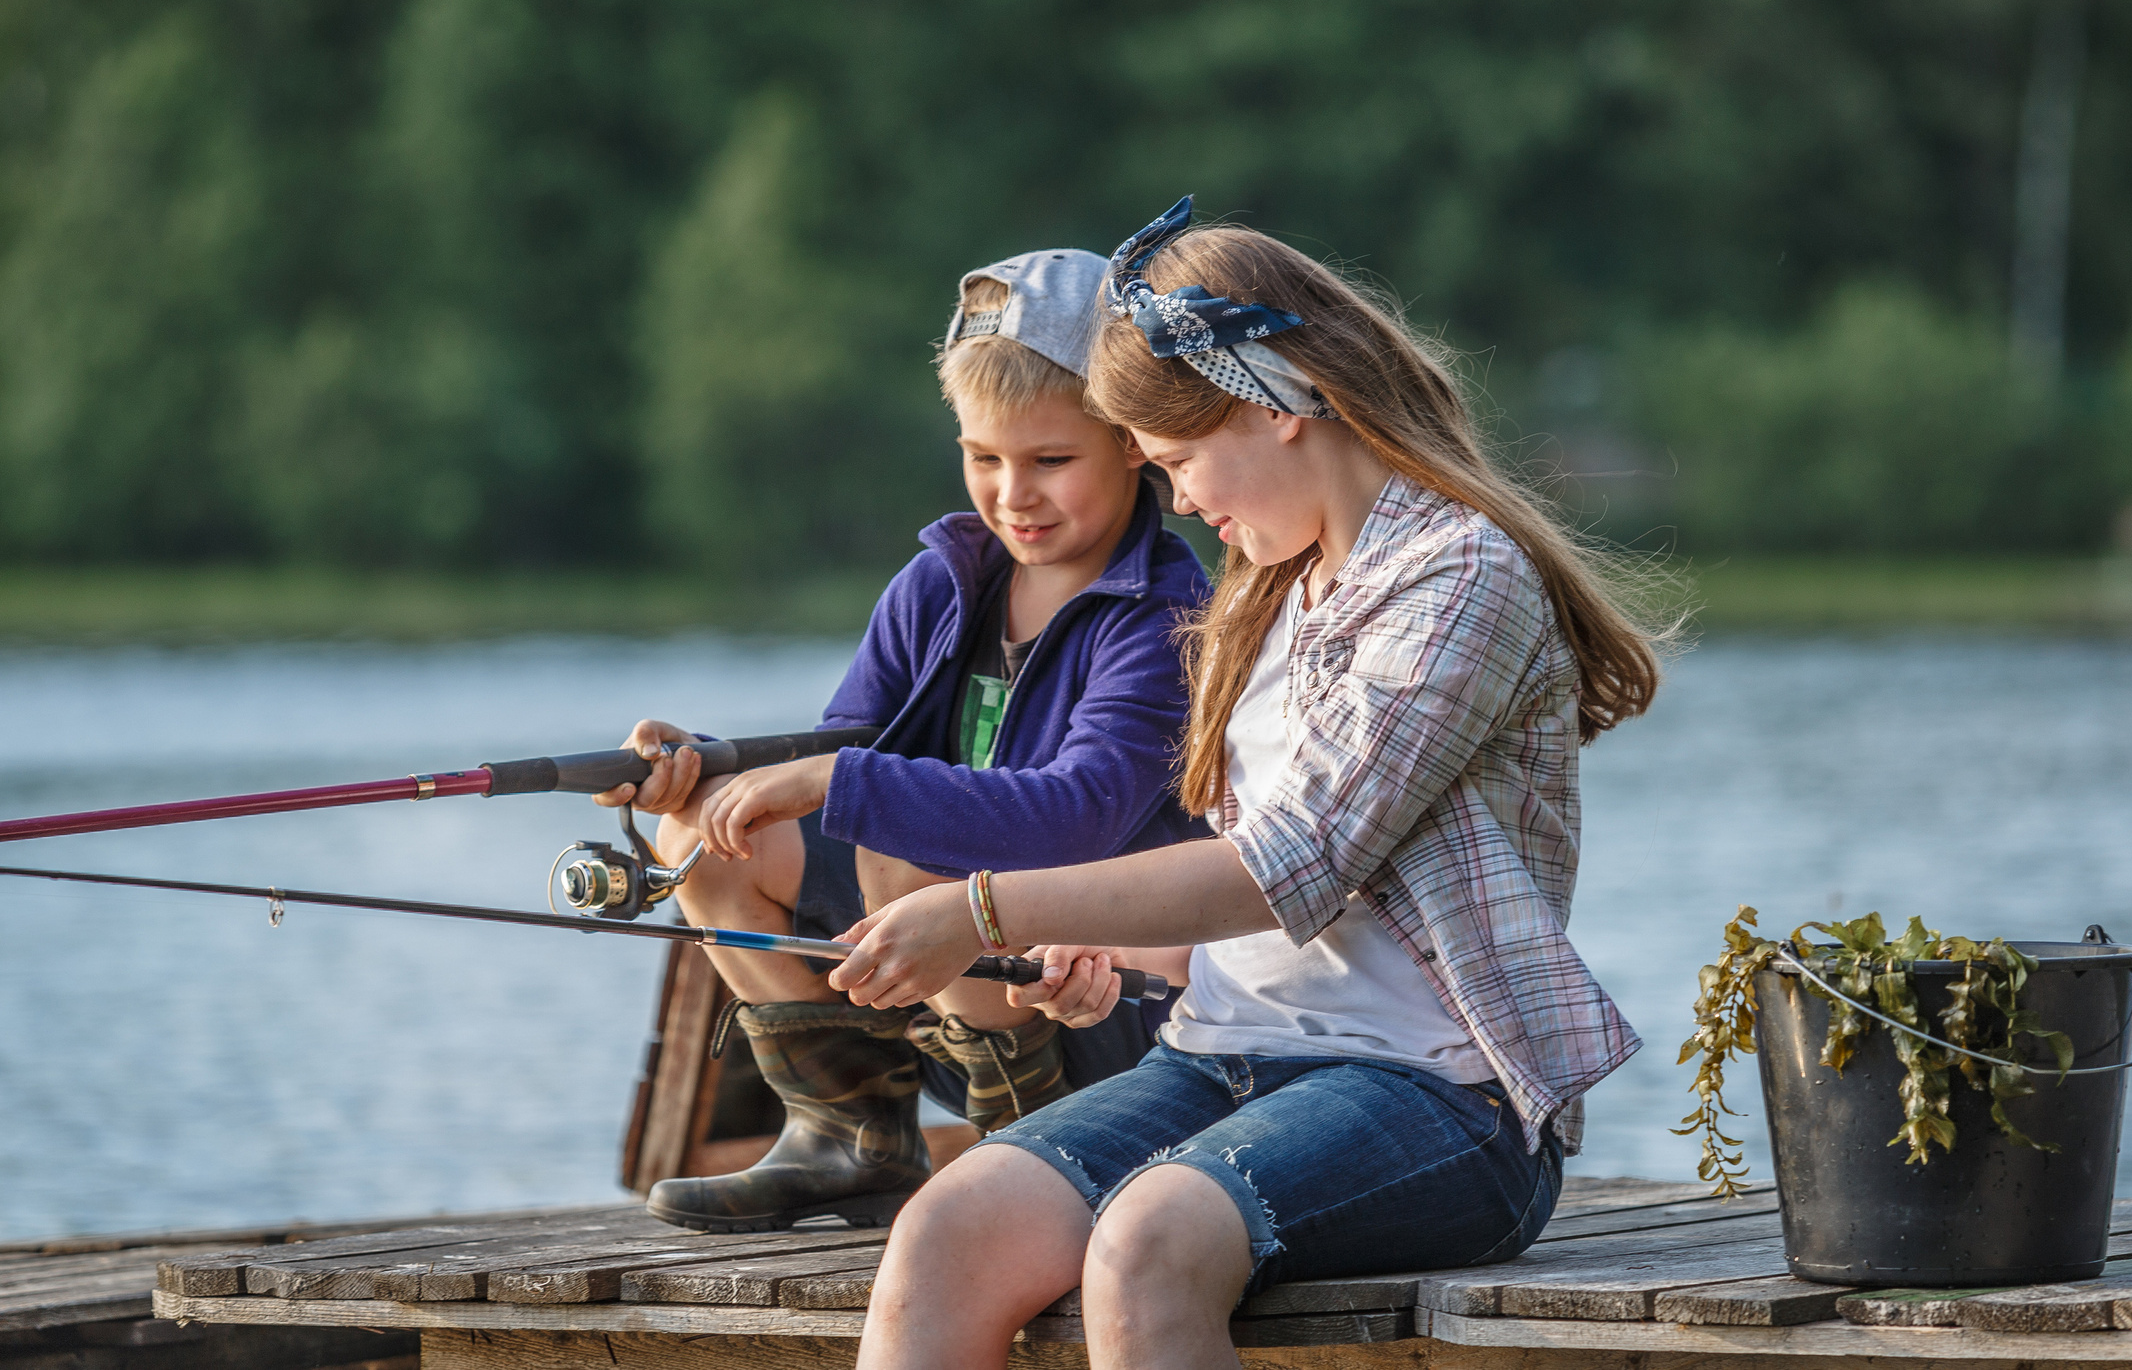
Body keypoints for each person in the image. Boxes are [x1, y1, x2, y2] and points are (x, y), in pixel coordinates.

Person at [826, 199, 1667, 1370]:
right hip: (1214, 1059)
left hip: (1437, 1098)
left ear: (1272, 404)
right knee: (945, 1232)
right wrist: (1121, 957)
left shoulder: (1461, 575)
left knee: (1148, 1241)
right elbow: (1266, 921)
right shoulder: (1260, 588)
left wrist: (981, 910)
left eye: (1174, 461)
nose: (1174, 501)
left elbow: (1295, 868)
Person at [606, 246, 1211, 1233]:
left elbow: (1081, 809)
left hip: (1105, 1006)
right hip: (939, 991)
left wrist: (843, 781)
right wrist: (703, 771)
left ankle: (1033, 1142)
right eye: (984, 458)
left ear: (1134, 446)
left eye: (1050, 461)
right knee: (712, 847)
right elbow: (842, 745)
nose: (1013, 493)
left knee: (902, 840)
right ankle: (853, 1138)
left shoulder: (1163, 615)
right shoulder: (940, 583)